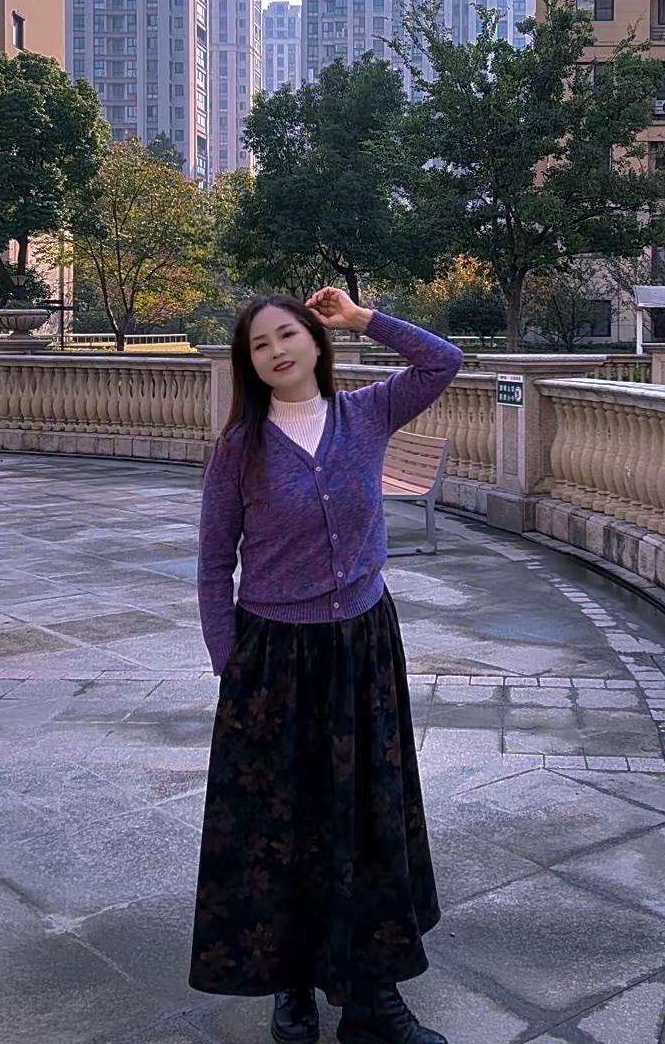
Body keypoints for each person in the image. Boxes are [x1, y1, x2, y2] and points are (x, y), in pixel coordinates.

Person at [189, 287, 463, 1044]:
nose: (277, 351)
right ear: (249, 364)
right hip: (275, 659)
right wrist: (228, 661)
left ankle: (373, 998)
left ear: (315, 340)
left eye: (288, 334)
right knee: (283, 825)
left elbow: (443, 361)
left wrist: (365, 318)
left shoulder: (366, 414)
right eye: (260, 344)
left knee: (366, 819)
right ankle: (293, 986)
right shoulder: (240, 449)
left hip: (362, 650)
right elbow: (213, 563)